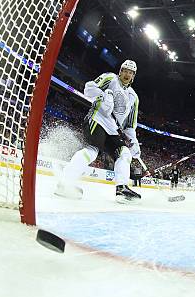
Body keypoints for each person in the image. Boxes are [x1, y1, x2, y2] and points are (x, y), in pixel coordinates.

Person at [55, 60, 142, 204]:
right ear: (120, 71)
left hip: (113, 130)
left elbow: (130, 125)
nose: (127, 74)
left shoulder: (134, 97)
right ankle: (65, 182)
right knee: (92, 151)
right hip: (97, 119)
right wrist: (103, 95)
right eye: (125, 70)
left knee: (125, 153)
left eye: (130, 72)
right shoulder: (110, 78)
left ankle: (121, 189)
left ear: (133, 76)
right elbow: (88, 89)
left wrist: (133, 142)